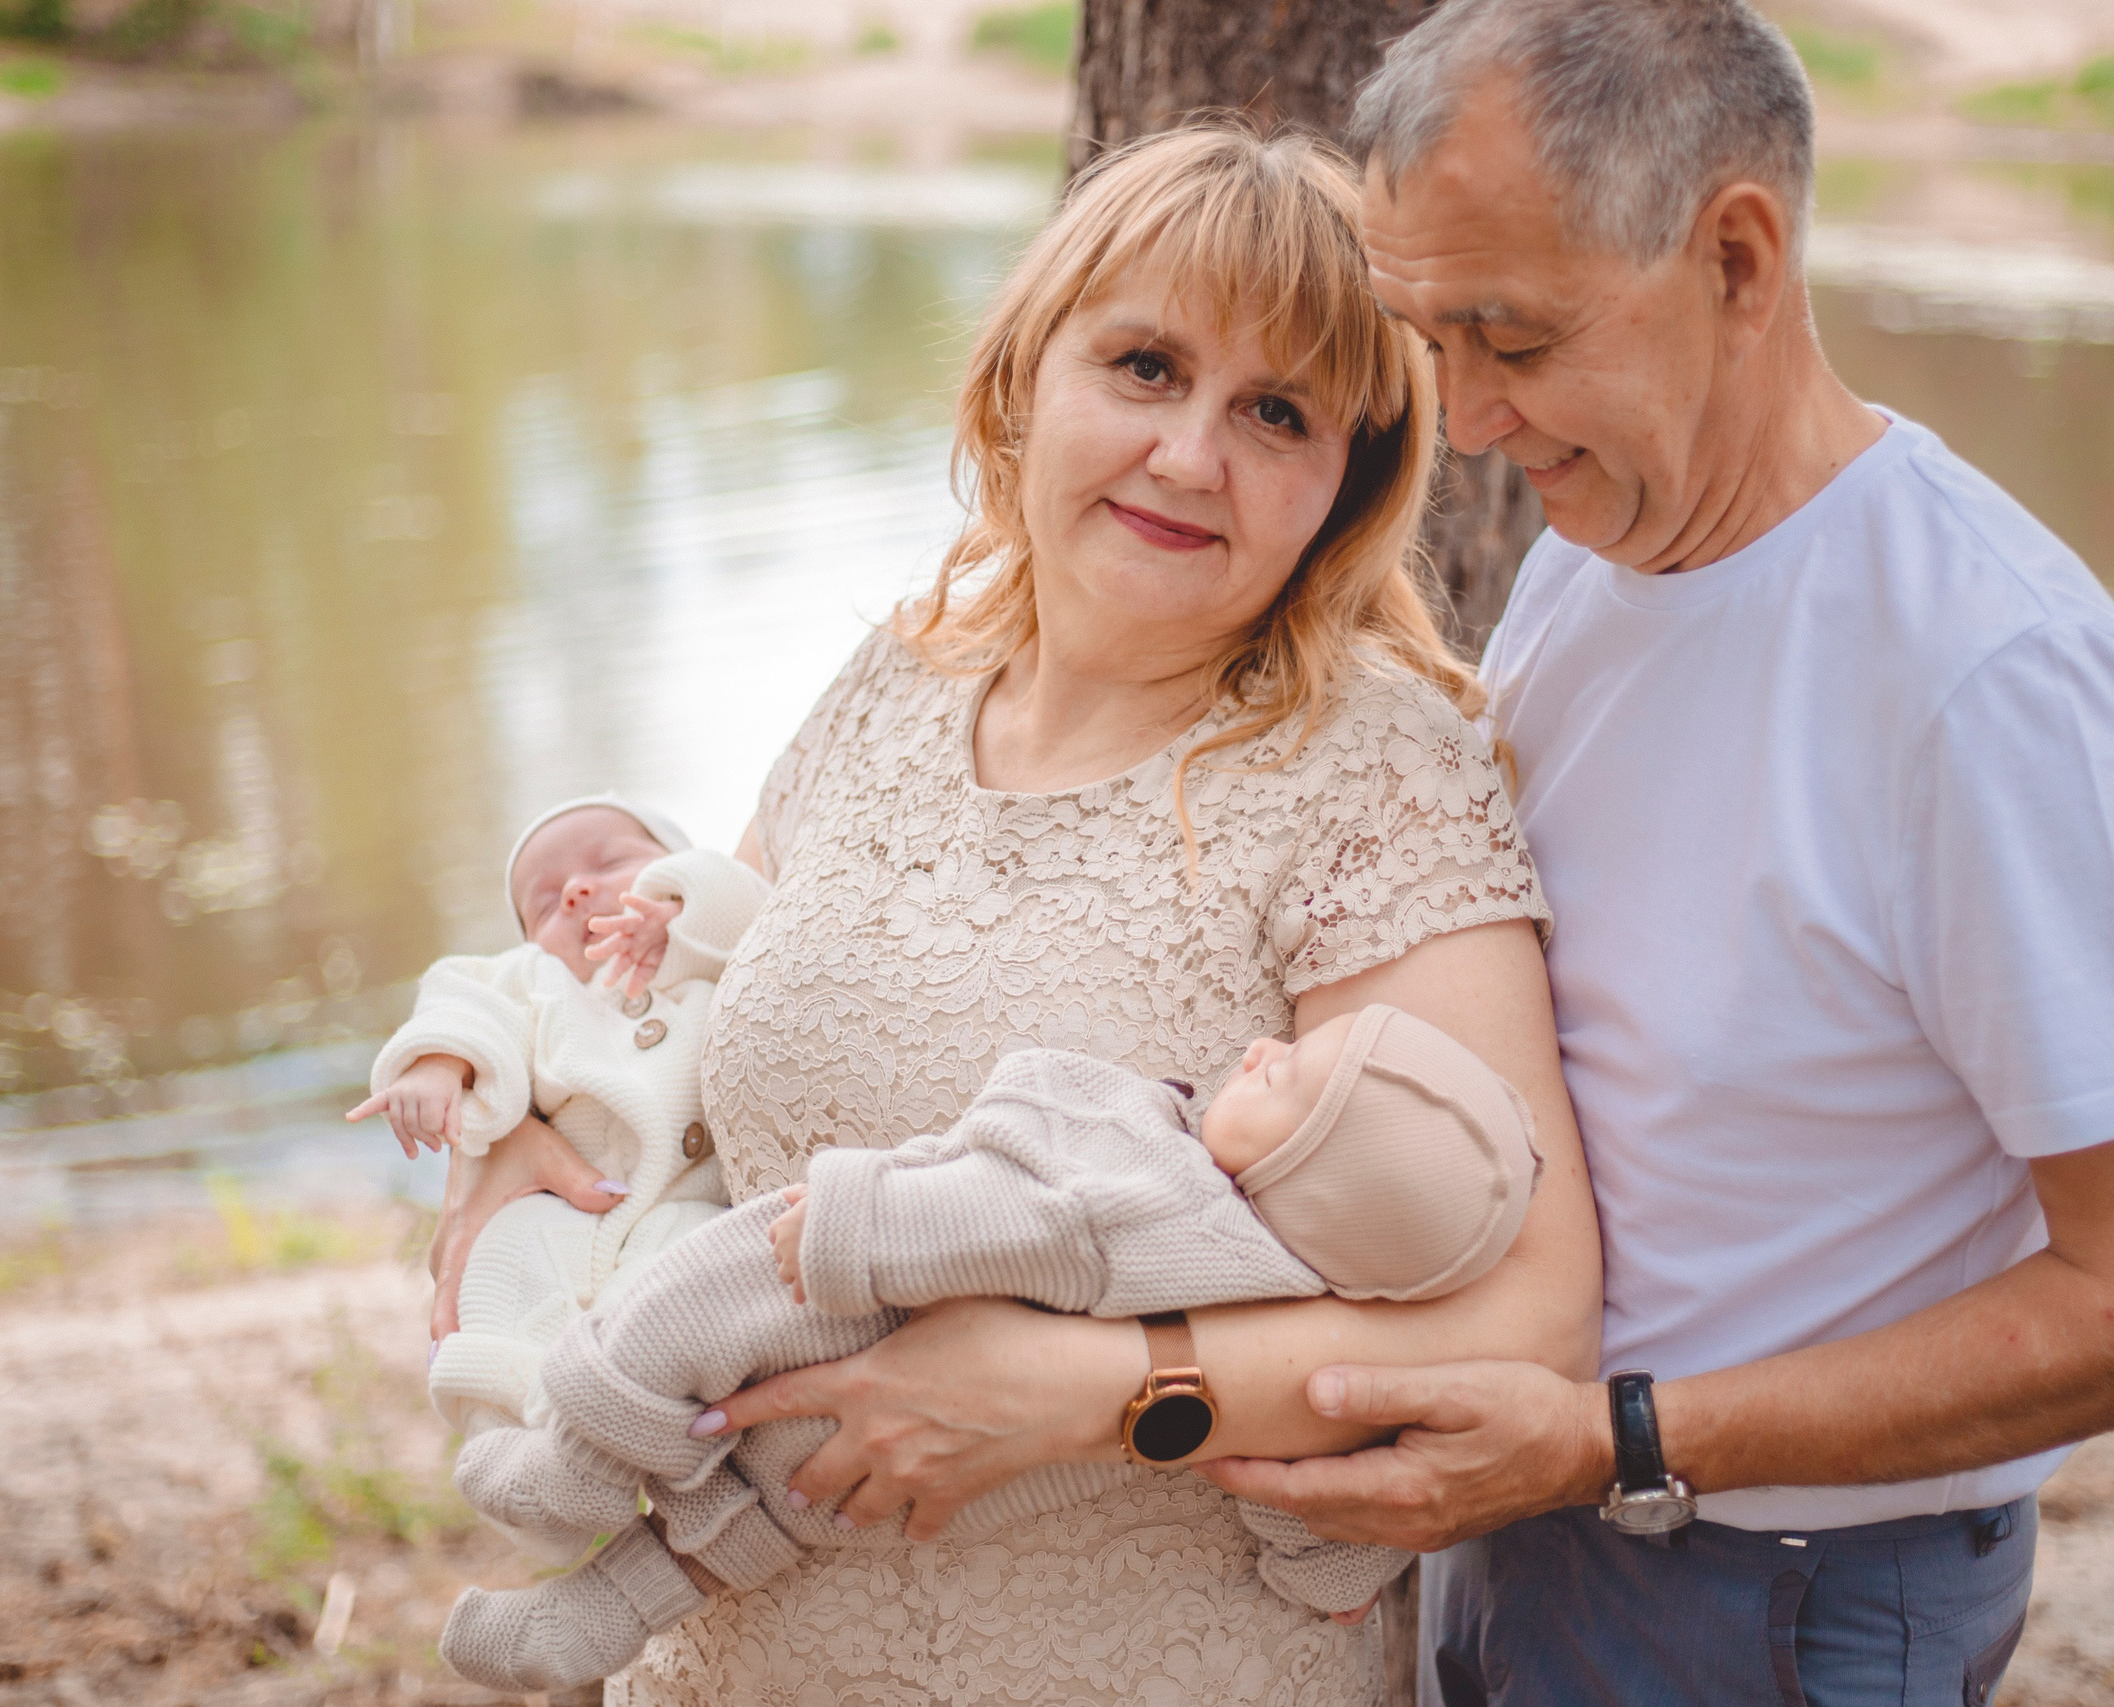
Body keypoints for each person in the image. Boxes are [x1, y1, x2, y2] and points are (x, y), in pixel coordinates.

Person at [422, 120, 1603, 1707]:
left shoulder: (1378, 775)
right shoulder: (901, 677)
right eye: (1143, 367)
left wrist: (1098, 1390)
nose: (1193, 454)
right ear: (1020, 380)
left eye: (1277, 410)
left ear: (1348, 480)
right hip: (744, 1659)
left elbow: (1529, 1322)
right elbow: (702, 1023)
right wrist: (533, 1123)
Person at [1199, 3, 2114, 1702]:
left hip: (1779, 1594)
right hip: (1530, 1506)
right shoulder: (1603, 539)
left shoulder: (1990, 676)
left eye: (1515, 336)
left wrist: (1617, 1437)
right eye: (1438, 335)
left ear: (1739, 259)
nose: (1468, 417)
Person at [435, 1005, 1538, 1694]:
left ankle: (567, 1471)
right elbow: (1296, 1496)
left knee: (672, 1319)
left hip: (823, 1311)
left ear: (1310, 1181)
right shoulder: (1281, 1319)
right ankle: (585, 1622)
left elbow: (1004, 1215)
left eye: (1286, 1079)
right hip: (902, 1479)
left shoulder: (1154, 1185)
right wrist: (1340, 1570)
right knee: (761, 1530)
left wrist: (848, 1222)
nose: (1260, 1047)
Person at [350, 795, 767, 1462]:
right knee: (503, 1261)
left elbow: (753, 900)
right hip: (571, 1213)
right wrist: (437, 1065)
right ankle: (507, 1439)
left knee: (669, 1304)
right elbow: (470, 997)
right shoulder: (544, 984)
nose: (576, 890)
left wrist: (680, 917)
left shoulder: (717, 962)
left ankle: (600, 1433)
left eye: (611, 862)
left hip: (690, 1209)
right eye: (544, 903)